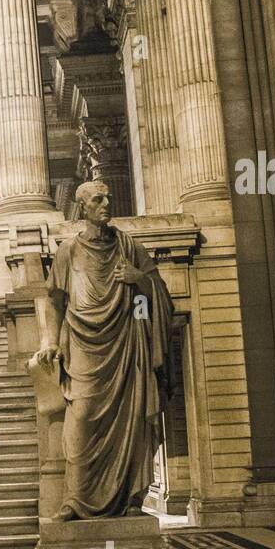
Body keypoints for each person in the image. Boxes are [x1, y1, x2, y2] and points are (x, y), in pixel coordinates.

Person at [29, 181, 173, 519]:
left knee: (131, 422)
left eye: (107, 196)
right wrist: (49, 340)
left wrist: (140, 278)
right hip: (82, 346)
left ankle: (130, 499)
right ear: (83, 207)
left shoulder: (129, 246)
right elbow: (54, 302)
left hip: (125, 347)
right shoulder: (68, 250)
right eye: (98, 199)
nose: (106, 203)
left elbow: (160, 295)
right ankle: (74, 500)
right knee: (80, 421)